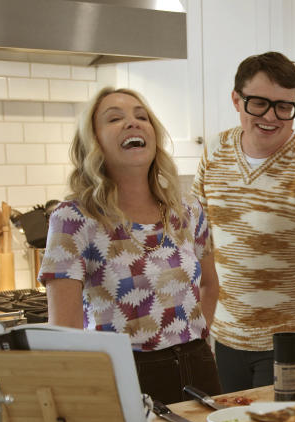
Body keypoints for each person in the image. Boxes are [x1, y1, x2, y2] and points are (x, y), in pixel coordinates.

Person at [39, 87, 221, 405]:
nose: (132, 123)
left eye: (141, 116)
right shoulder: (74, 220)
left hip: (197, 369)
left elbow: (210, 284)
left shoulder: (187, 210)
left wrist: (195, 339)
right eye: (114, 118)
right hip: (122, 374)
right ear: (93, 143)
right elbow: (64, 337)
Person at [191, 52, 295, 392]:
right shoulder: (215, 150)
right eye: (259, 103)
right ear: (237, 99)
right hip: (225, 336)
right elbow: (194, 226)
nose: (271, 116)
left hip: (292, 341)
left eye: (284, 106)